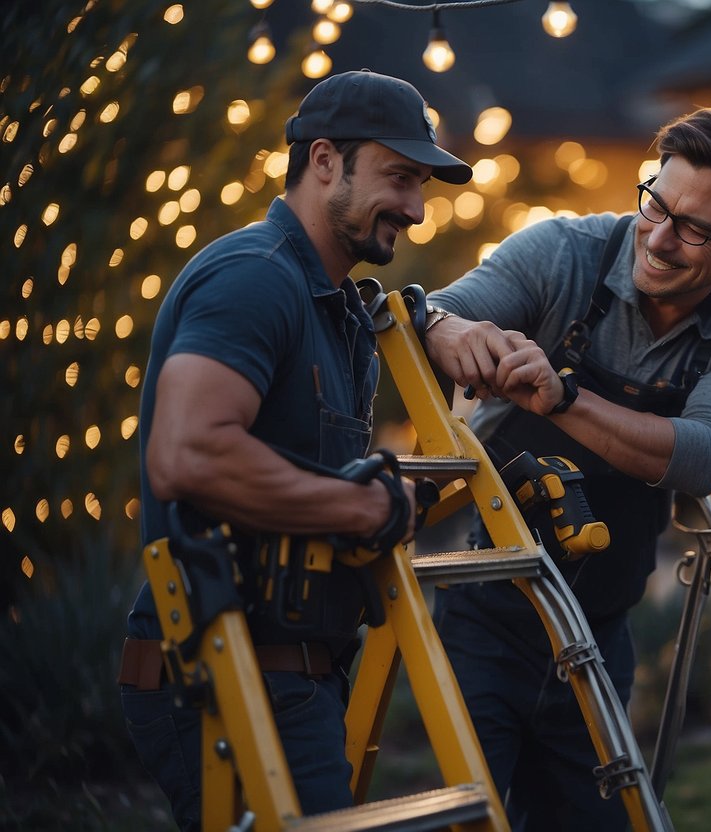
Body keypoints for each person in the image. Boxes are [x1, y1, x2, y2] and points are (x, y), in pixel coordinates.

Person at [420, 107, 711, 829]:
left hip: (600, 630)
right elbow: (434, 316)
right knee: (469, 820)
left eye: (692, 228)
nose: (655, 237)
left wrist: (564, 398)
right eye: (654, 201)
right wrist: (448, 327)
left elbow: (706, 454)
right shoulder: (561, 251)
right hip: (485, 614)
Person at [117, 70, 472, 830]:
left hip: (296, 669)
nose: (415, 209)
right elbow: (188, 455)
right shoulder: (254, 278)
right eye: (400, 178)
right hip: (223, 665)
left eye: (422, 186)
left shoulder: (338, 306)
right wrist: (361, 505)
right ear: (322, 161)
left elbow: (295, 466)